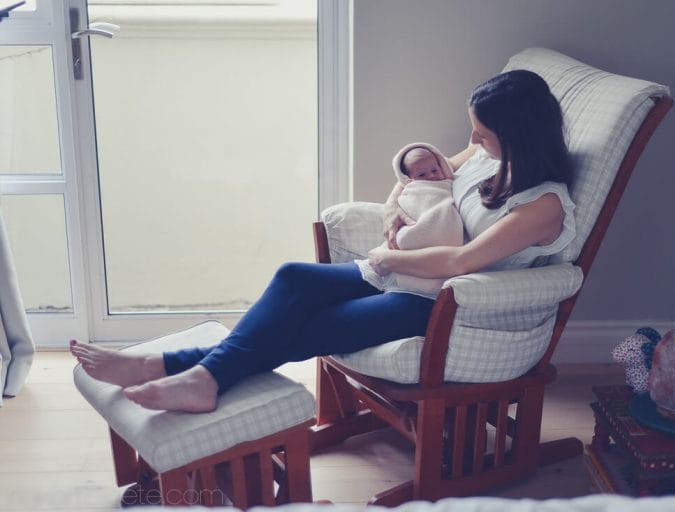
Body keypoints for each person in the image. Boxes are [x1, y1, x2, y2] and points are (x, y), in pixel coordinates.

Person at [70, 69, 576, 414]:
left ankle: (186, 374)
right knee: (295, 278)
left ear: (520, 136)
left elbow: (465, 259)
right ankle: (176, 372)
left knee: (313, 326)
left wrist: (386, 254)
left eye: (483, 134)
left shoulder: (542, 206)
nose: (473, 143)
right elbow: (417, 177)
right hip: (406, 274)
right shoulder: (489, 156)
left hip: (444, 302)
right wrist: (391, 218)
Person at [357, 142, 464, 298]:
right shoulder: (413, 186)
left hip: (435, 267)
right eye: (422, 175)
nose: (431, 176)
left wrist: (386, 258)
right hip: (390, 260)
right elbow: (406, 189)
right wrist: (392, 205)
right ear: (410, 179)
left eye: (435, 170)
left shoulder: (444, 183)